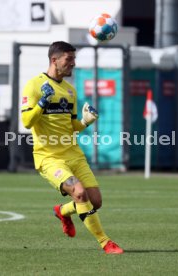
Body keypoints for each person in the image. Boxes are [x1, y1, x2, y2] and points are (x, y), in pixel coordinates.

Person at [21, 41, 123, 254]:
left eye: (74, 59)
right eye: (69, 59)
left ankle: (63, 211)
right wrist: (42, 103)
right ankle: (106, 242)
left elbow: (71, 126)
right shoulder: (34, 85)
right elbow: (27, 122)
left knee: (95, 201)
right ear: (54, 60)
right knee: (79, 192)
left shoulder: (70, 91)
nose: (73, 64)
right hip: (49, 158)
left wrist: (86, 121)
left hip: (74, 154)